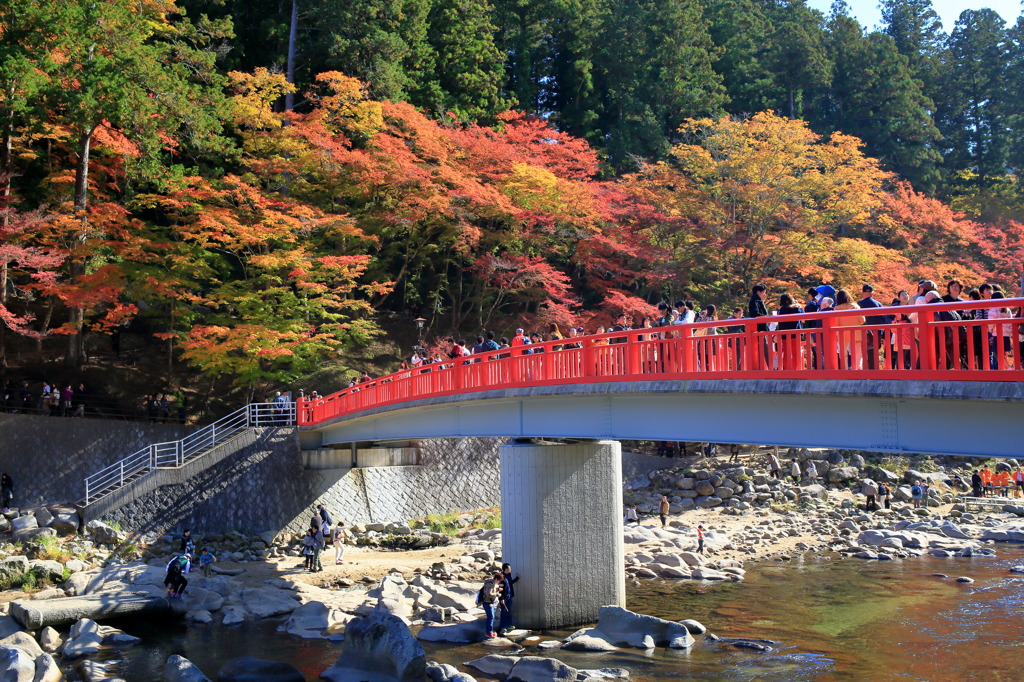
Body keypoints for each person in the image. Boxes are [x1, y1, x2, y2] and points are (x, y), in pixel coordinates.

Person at [834, 289, 865, 369]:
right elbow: (862, 320)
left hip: (843, 333)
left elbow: (836, 323)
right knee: (857, 353)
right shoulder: (855, 307)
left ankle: (845, 369)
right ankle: (858, 369)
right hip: (856, 332)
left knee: (843, 353)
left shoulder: (837, 308)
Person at [859, 284, 887, 370]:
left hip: (864, 332)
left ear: (863, 293)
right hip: (877, 332)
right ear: (872, 293)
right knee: (874, 354)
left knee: (863, 353)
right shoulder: (878, 304)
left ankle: (865, 372)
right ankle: (875, 372)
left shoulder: (859, 304)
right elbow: (883, 319)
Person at [476, 572, 503, 639]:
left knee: (491, 617)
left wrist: (497, 590)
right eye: (499, 581)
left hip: (490, 602)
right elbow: (488, 593)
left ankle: (490, 631)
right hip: (487, 603)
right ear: (496, 579)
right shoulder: (490, 583)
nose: (499, 582)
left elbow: (491, 591)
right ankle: (488, 632)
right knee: (490, 617)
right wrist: (497, 594)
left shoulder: (493, 583)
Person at [498, 563, 520, 635]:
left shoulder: (508, 575)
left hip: (509, 596)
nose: (510, 569)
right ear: (505, 569)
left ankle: (509, 625)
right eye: (509, 568)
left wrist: (517, 578)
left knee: (509, 611)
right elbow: (500, 589)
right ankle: (503, 627)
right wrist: (501, 598)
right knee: (503, 612)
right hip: (504, 598)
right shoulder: (501, 577)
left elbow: (510, 583)